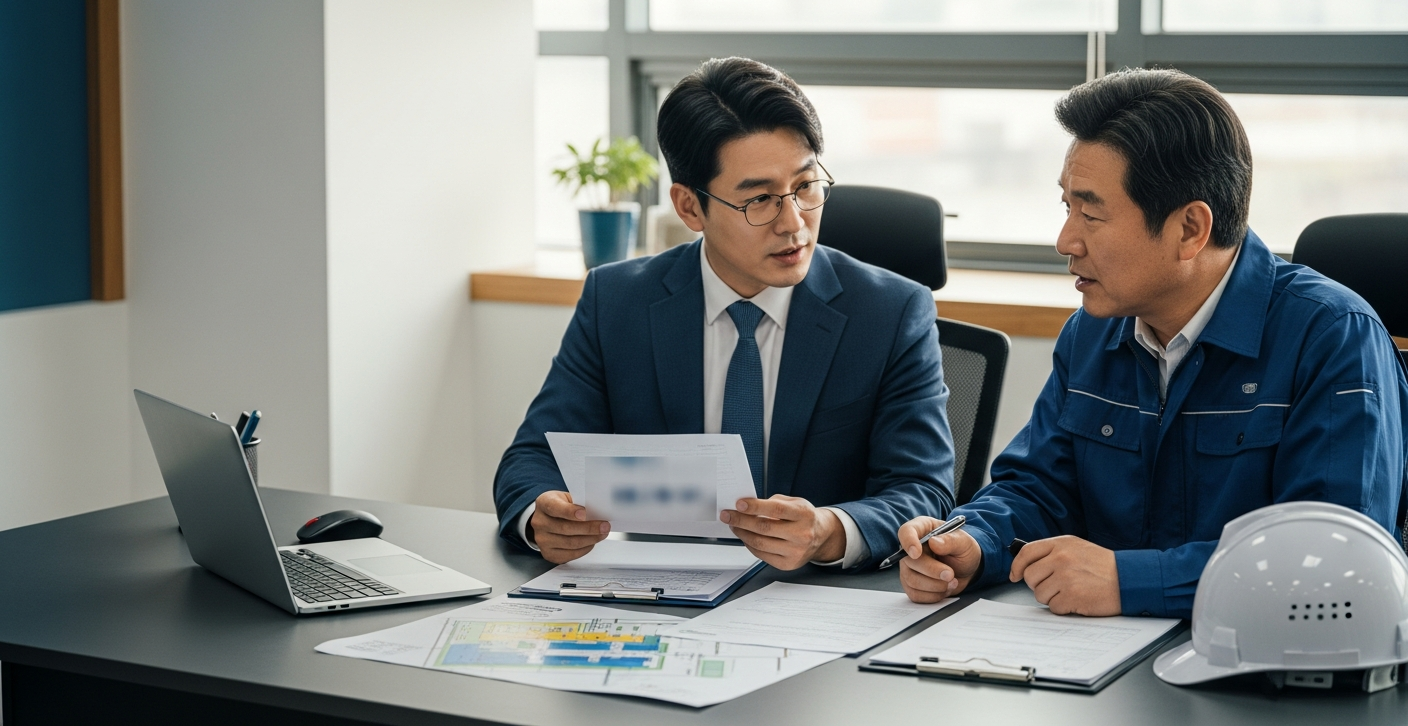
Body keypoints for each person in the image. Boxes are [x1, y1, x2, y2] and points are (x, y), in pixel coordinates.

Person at [897, 68, 1408, 619]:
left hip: (1264, 678)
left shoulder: (1332, 336)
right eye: (1066, 206)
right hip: (1104, 664)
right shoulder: (1093, 330)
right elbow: (1039, 487)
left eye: (1091, 213)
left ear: (1190, 229)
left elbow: (1335, 562)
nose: (1065, 240)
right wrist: (973, 542)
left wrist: (1129, 581)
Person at [495, 57, 956, 571]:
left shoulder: (891, 312)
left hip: (818, 604)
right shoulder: (617, 301)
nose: (793, 224)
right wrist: (541, 519)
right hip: (657, 597)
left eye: (806, 187)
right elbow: (531, 459)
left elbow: (925, 490)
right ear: (690, 208)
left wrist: (831, 532)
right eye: (759, 199)